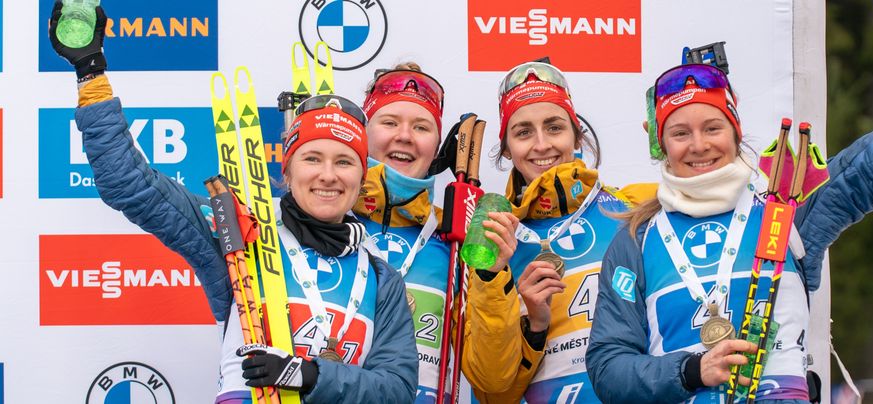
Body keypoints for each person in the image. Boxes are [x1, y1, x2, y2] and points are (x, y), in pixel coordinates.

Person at [48, 2, 417, 402]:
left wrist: (309, 375)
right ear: (287, 173)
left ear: (361, 180)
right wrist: (90, 73)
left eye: (344, 162)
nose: (328, 175)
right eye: (312, 159)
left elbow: (396, 390)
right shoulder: (241, 241)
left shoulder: (381, 280)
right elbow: (128, 183)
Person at [585, 1, 873, 402]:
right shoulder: (636, 239)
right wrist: (691, 370)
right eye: (680, 133)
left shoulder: (787, 211)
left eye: (713, 127)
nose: (699, 145)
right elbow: (608, 367)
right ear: (662, 144)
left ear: (736, 131)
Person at [460, 61, 655, 402]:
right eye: (523, 132)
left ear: (577, 134)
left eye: (554, 127)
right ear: (506, 148)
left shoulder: (637, 206)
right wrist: (534, 325)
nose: (541, 144)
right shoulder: (492, 240)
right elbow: (493, 391)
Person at [354, 62, 473, 402]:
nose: (404, 136)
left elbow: (488, 375)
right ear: (363, 133)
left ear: (437, 148)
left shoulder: (457, 237)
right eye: (389, 122)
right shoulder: (324, 222)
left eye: (421, 127)